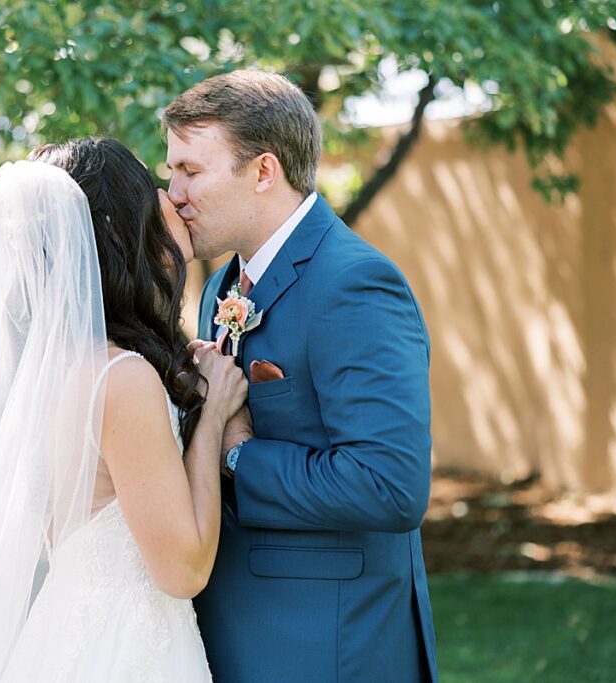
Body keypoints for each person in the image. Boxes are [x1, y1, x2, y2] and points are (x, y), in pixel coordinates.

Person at [0, 137, 245, 682]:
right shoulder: (120, 378)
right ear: (125, 225)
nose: (173, 195)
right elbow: (182, 569)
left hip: (69, 634)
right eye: (153, 188)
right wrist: (214, 419)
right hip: (124, 649)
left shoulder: (61, 371)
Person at [163, 69, 439, 682]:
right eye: (171, 170)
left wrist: (236, 452)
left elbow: (389, 485)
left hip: (324, 644)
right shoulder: (219, 288)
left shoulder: (354, 285)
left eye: (191, 170)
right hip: (233, 625)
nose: (174, 192)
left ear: (264, 172)